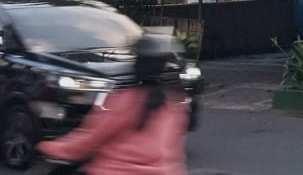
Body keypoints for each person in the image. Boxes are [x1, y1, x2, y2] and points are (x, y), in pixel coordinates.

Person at [37, 32, 189, 175]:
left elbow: (88, 140)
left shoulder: (125, 100)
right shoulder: (176, 105)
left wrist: (48, 147)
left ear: (137, 64)